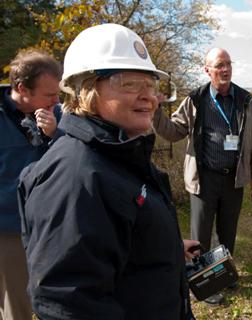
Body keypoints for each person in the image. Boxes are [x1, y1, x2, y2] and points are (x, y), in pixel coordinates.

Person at [17, 24, 199, 319]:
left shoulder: (117, 152)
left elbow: (113, 239)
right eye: (130, 84)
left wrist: (162, 247)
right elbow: (68, 303)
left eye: (151, 85)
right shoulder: (75, 177)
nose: (149, 97)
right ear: (85, 89)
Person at [153, 47, 252, 305]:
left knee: (228, 232)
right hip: (204, 179)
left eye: (228, 64)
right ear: (207, 70)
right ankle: (204, 284)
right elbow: (173, 132)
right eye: (219, 65)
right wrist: (156, 111)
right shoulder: (195, 99)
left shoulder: (245, 100)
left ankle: (224, 275)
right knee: (200, 236)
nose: (225, 69)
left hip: (233, 179)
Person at [0, 49, 62, 320]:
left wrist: (55, 135)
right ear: (23, 88)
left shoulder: (55, 115)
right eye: (50, 94)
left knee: (20, 304)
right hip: (7, 229)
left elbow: (75, 160)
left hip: (39, 228)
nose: (57, 100)